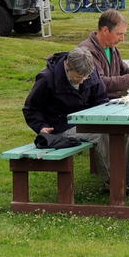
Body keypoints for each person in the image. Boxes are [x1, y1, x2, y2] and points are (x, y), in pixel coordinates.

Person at [22, 47, 111, 181]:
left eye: (86, 77)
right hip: (61, 127)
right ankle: (114, 182)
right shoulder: (47, 78)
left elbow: (101, 99)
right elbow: (31, 108)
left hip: (87, 123)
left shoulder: (90, 73)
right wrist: (41, 126)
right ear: (67, 66)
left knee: (122, 130)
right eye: (78, 77)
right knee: (104, 134)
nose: (82, 81)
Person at [79, 9, 129, 99]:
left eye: (124, 34)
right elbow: (99, 82)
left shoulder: (112, 48)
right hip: (96, 105)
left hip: (112, 102)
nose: (122, 39)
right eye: (119, 34)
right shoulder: (86, 51)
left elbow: (124, 70)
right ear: (105, 30)